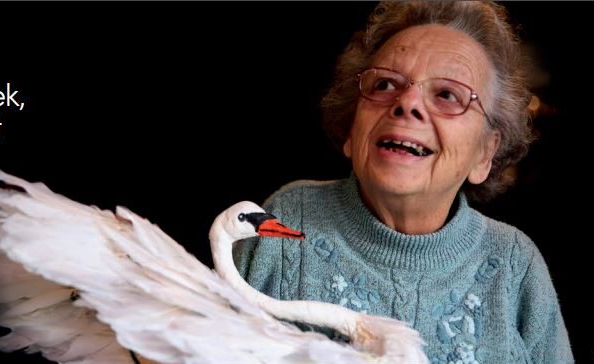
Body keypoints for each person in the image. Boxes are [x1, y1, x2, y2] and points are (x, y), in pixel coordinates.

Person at [233, 2, 573, 363]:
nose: (407, 102)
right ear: (352, 128)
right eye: (385, 84)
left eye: (447, 95)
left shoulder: (514, 263)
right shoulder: (286, 219)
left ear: (485, 153)